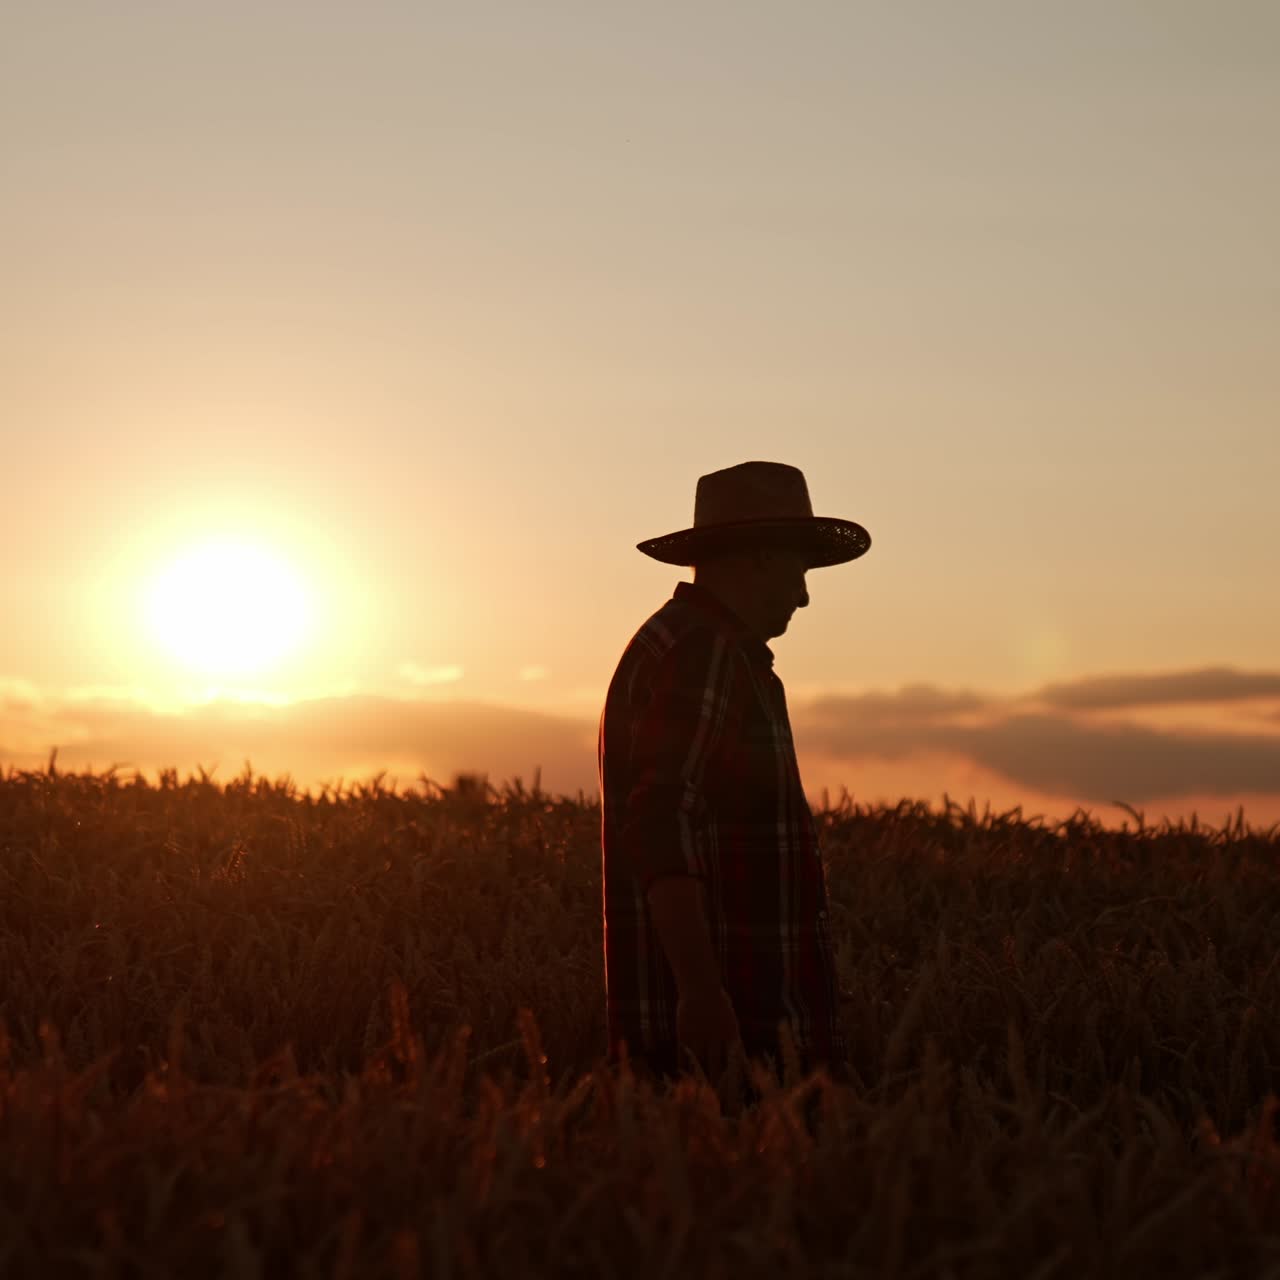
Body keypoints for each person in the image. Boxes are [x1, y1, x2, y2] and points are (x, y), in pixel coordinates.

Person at [598, 460, 871, 1093]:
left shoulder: (687, 644)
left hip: (726, 1028)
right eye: (798, 571)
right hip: (735, 1036)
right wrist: (700, 992)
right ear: (759, 557)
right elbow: (664, 820)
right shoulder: (704, 652)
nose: (803, 596)